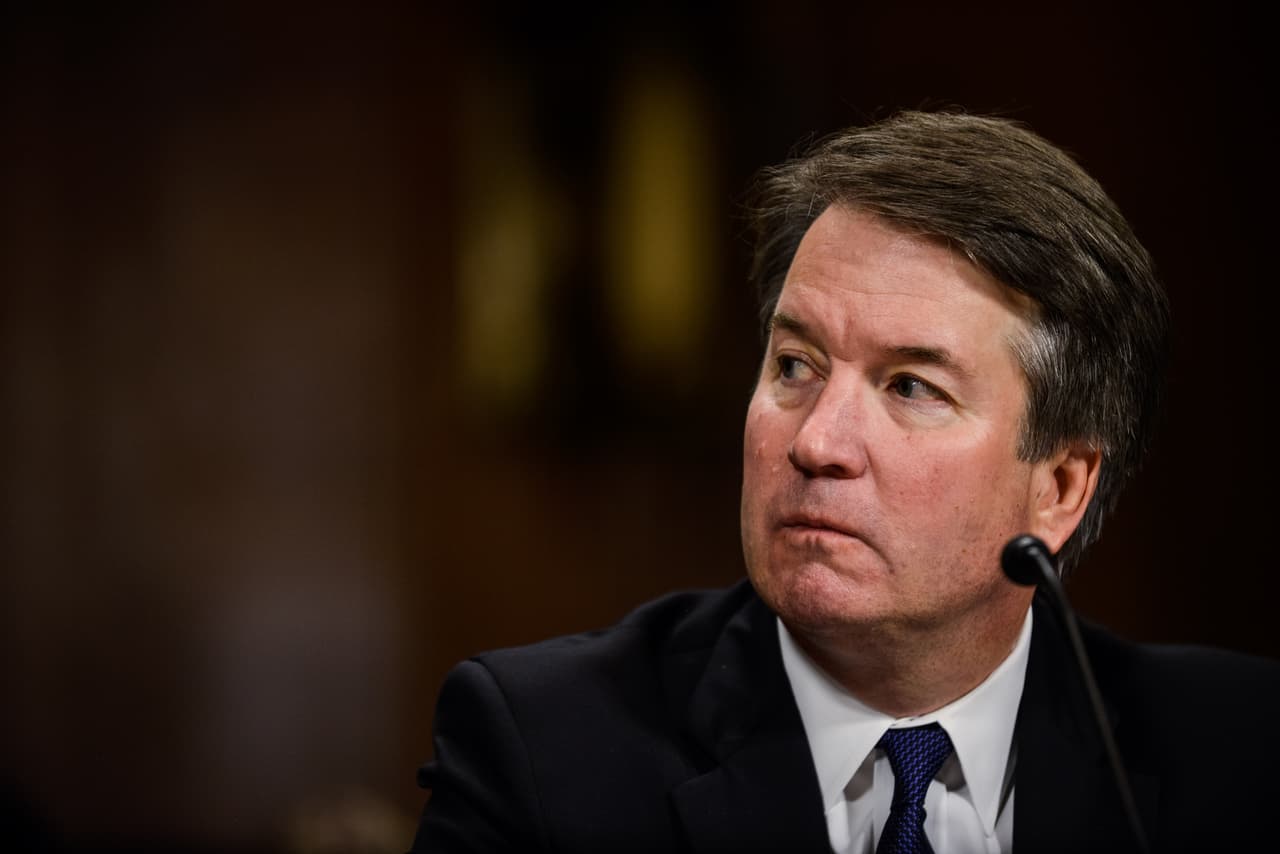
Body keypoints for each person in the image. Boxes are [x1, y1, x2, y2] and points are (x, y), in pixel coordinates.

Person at [408, 111, 1280, 853]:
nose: (817, 441)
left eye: (911, 387)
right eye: (795, 365)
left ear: (1057, 488)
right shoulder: (544, 753)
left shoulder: (1238, 753)